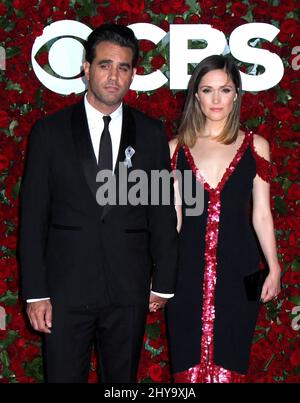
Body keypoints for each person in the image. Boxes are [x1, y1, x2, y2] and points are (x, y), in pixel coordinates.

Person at [20, 23, 178, 383]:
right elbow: (32, 220)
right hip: (64, 291)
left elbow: (161, 212)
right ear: (86, 68)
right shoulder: (49, 132)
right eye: (105, 65)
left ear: (133, 75)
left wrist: (164, 281)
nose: (113, 76)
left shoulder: (151, 133)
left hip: (128, 289)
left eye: (123, 68)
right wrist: (36, 293)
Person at [166, 55, 281, 383]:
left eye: (225, 89)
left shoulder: (256, 146)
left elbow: (261, 213)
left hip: (241, 270)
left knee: (232, 362)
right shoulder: (174, 149)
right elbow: (171, 219)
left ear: (236, 94)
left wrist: (273, 266)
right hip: (185, 273)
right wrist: (159, 272)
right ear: (196, 95)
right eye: (207, 90)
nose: (216, 99)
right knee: (186, 368)